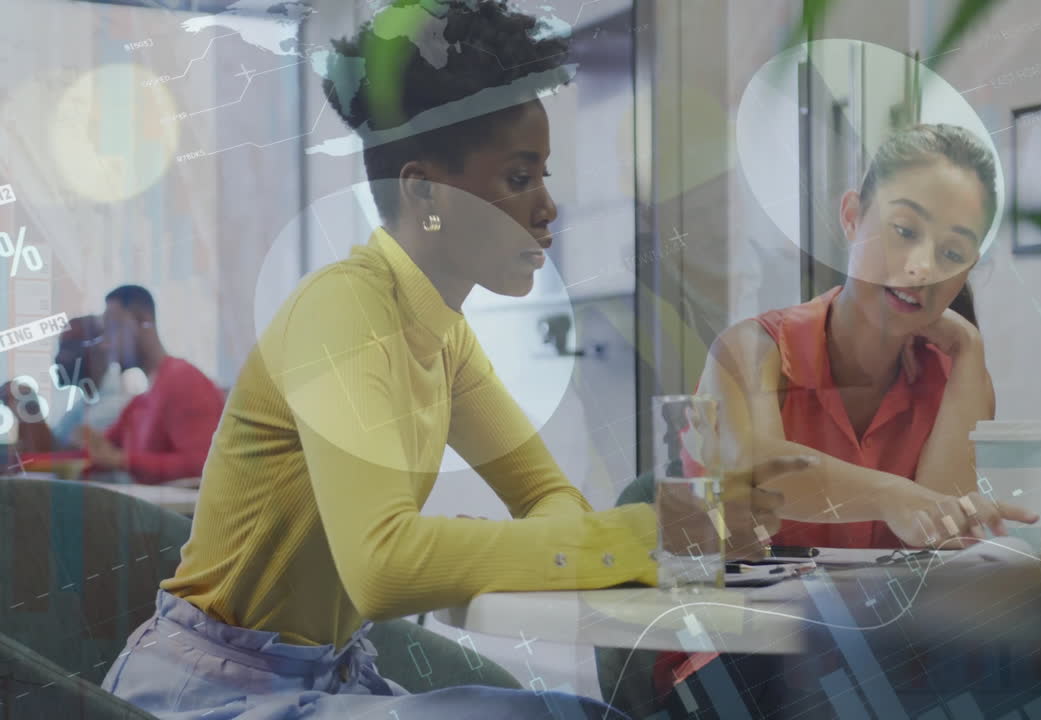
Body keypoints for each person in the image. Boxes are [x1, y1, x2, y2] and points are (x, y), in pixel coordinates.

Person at [102, 3, 807, 718]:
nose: (549, 206)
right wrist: (636, 534)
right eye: (519, 178)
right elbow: (384, 568)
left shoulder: (442, 334)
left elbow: (546, 497)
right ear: (424, 192)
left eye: (543, 175)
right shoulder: (342, 312)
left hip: (328, 678)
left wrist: (598, 538)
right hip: (209, 692)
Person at [656, 124, 1041, 716]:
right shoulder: (750, 349)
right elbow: (758, 473)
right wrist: (892, 496)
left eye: (952, 253)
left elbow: (937, 535)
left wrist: (969, 355)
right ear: (852, 217)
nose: (921, 267)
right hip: (740, 661)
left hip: (876, 660)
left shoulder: (955, 376)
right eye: (904, 230)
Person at [80, 285, 224, 485]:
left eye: (113, 329)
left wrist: (122, 460)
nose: (106, 344)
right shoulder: (141, 401)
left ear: (143, 321)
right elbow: (97, 452)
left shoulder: (183, 381)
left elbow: (203, 464)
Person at [51, 315, 131, 449]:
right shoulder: (85, 403)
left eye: (67, 348)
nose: (57, 358)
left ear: (98, 351)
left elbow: (64, 454)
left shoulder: (115, 406)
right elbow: (54, 441)